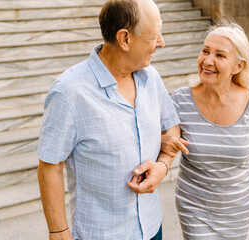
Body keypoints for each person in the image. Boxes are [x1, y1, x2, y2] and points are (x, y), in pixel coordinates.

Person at [37, 0, 188, 239]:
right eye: (154, 35)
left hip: (151, 227)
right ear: (125, 38)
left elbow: (172, 128)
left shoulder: (152, 77)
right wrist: (59, 232)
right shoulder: (69, 92)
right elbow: (49, 167)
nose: (161, 42)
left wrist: (162, 166)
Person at [162, 19, 249, 240]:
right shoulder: (180, 100)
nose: (207, 61)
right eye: (205, 51)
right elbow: (165, 145)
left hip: (238, 210)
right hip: (194, 207)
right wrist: (163, 141)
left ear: (238, 66)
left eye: (219, 55)